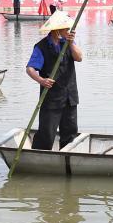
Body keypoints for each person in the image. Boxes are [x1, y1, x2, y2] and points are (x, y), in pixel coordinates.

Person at [26, 11, 83, 150]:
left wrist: (70, 43)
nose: (68, 31)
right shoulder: (41, 46)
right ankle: (39, 158)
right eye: (65, 29)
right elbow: (30, 68)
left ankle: (67, 158)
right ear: (57, 30)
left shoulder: (68, 43)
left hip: (69, 96)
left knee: (70, 133)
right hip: (51, 97)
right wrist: (41, 80)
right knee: (47, 133)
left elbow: (79, 57)